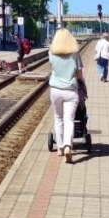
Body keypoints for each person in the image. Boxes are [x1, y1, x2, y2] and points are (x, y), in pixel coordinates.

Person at [48, 27, 83, 163]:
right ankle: (68, 145)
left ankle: (60, 148)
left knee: (58, 119)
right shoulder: (75, 54)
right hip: (71, 91)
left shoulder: (51, 53)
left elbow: (53, 68)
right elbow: (79, 75)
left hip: (55, 90)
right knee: (69, 120)